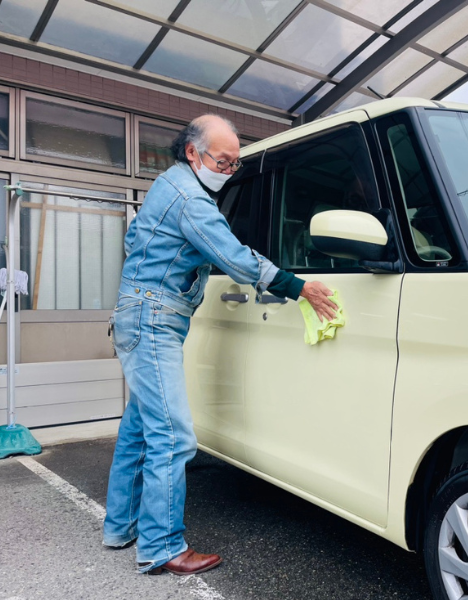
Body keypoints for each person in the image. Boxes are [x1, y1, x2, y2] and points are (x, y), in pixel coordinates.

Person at [102, 114, 336, 576]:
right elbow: (234, 257)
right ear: (193, 152)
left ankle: (120, 526)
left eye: (234, 165)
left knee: (139, 430)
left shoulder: (167, 186)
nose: (228, 171)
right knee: (173, 436)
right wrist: (298, 286)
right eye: (222, 162)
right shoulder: (190, 198)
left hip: (141, 315)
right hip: (153, 320)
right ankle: (162, 546)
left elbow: (135, 240)